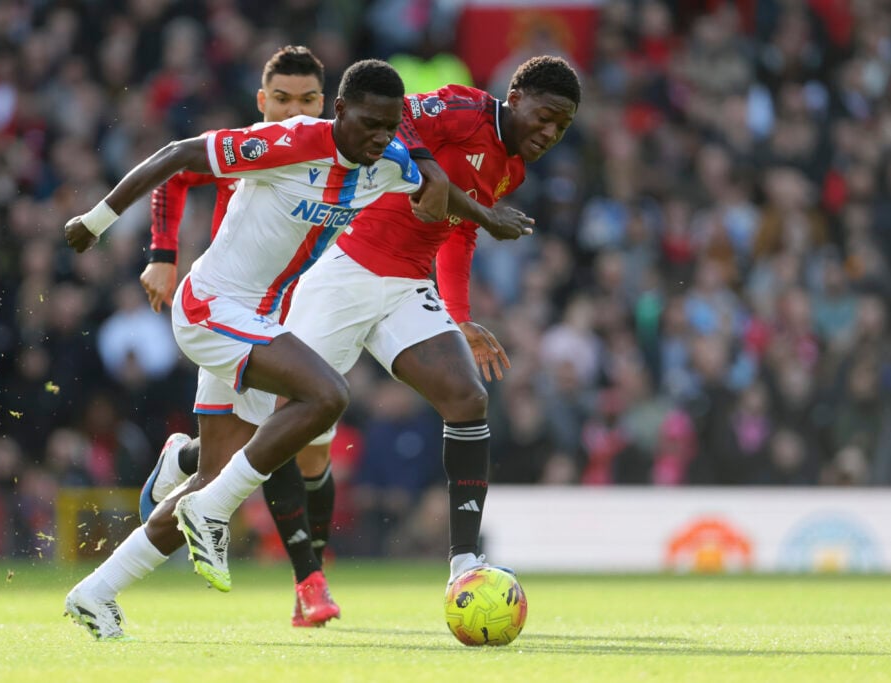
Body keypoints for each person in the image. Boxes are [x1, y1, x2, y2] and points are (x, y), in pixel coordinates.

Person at [149, 55, 581, 592]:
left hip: (407, 285)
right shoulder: (464, 107)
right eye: (545, 116)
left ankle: (465, 563)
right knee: (287, 431)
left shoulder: (512, 169)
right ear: (515, 99)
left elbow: (459, 233)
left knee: (468, 398)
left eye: (562, 126)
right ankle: (188, 461)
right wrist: (432, 171)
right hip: (344, 269)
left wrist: (460, 316)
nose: (550, 132)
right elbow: (398, 117)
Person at [62, 58, 447, 641]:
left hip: (257, 321)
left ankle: (96, 591)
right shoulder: (285, 142)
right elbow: (176, 158)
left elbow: (434, 182)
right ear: (339, 110)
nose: (380, 135)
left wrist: (486, 213)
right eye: (370, 123)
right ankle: (212, 508)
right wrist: (97, 221)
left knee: (214, 474)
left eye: (388, 127)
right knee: (327, 395)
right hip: (211, 308)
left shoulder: (384, 163)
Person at [137, 45, 343, 629]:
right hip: (237, 310)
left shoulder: (341, 155)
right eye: (281, 99)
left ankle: (183, 457)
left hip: (306, 306)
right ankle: (309, 581)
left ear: (324, 103)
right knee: (281, 433)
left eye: (307, 100)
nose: (293, 111)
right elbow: (175, 171)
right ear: (261, 100)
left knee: (311, 447)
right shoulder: (248, 147)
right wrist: (163, 254)